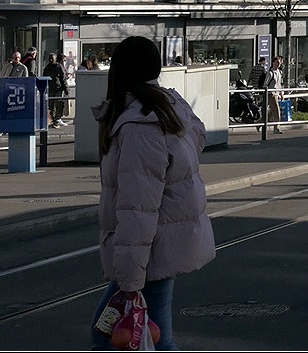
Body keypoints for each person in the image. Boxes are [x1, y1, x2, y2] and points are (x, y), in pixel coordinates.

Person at [90, 36, 214, 351]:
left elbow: (139, 207)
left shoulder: (139, 125)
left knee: (121, 337)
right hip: (161, 245)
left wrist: (130, 281)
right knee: (143, 335)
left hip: (150, 253)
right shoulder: (167, 106)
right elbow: (198, 137)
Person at [42, 53, 68, 128]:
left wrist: (66, 89)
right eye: (49, 59)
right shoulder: (47, 68)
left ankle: (57, 119)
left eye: (52, 59)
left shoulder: (59, 67)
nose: (50, 60)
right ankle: (52, 120)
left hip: (58, 89)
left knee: (59, 105)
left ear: (55, 59)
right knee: (51, 106)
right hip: (50, 89)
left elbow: (63, 79)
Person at [263, 56, 285, 133]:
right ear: (273, 63)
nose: (278, 64)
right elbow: (265, 84)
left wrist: (281, 94)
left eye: (279, 63)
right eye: (277, 62)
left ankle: (259, 122)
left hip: (277, 93)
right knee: (276, 110)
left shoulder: (280, 72)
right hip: (271, 93)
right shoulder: (270, 73)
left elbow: (280, 84)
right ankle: (276, 128)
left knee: (272, 112)